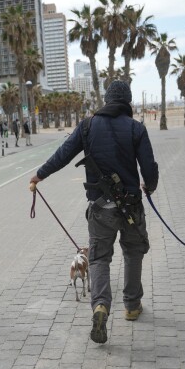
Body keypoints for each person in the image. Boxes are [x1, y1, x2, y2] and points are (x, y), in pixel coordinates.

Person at [29, 80, 158, 344]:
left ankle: (100, 306)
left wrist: (39, 176)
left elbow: (63, 154)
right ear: (128, 102)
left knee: (99, 259)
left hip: (100, 207)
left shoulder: (87, 126)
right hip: (131, 205)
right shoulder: (136, 129)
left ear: (107, 100)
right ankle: (132, 306)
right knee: (133, 252)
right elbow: (149, 166)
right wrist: (150, 187)